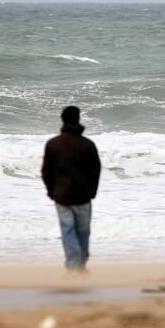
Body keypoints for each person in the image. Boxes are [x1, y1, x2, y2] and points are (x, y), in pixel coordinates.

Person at [41, 105, 101, 271]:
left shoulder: (53, 144)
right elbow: (96, 170)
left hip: (62, 196)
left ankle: (73, 265)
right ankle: (80, 264)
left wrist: (51, 192)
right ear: (78, 119)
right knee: (83, 232)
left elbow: (46, 172)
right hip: (83, 196)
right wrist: (93, 191)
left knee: (67, 231)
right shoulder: (87, 145)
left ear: (62, 120)